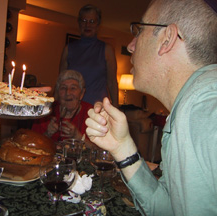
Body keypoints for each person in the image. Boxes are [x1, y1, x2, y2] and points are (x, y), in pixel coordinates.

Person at [85, 0, 217, 215]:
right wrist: (122, 148)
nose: (130, 45)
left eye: (139, 30)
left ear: (167, 38)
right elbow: (166, 209)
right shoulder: (188, 110)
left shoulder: (206, 109)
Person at [59, 4, 118, 107]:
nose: (87, 25)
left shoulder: (107, 50)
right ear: (79, 23)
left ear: (98, 24)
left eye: (92, 21)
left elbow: (112, 82)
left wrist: (116, 107)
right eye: (84, 21)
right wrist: (56, 107)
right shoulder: (68, 49)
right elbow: (61, 82)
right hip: (72, 108)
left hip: (97, 108)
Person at [32, 70, 93, 146]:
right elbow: (32, 144)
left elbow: (100, 150)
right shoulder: (45, 111)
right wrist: (47, 133)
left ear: (82, 93)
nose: (68, 92)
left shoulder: (91, 113)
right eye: (63, 88)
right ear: (58, 92)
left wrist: (78, 137)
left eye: (73, 88)